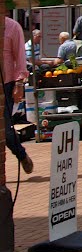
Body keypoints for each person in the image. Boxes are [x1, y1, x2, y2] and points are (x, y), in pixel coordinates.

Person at [3, 15, 32, 174]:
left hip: (6, 85)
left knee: (5, 130)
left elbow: (20, 59)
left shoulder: (12, 27)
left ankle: (21, 154)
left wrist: (19, 84)